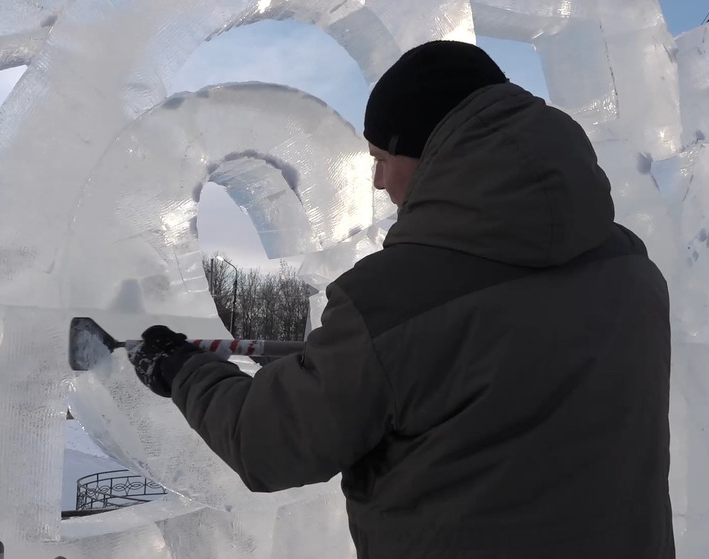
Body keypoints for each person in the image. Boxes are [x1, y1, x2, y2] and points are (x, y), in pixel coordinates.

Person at [129, 41, 674, 558]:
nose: (376, 179)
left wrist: (182, 370)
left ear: (430, 150)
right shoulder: (629, 265)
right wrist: (335, 365)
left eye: (383, 156)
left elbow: (268, 443)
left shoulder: (391, 301)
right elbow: (490, 374)